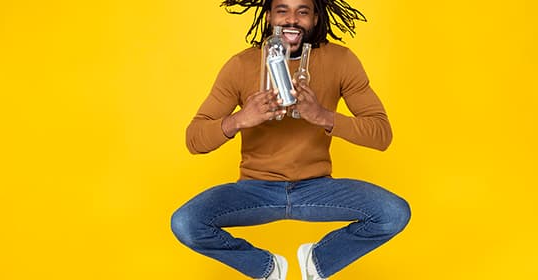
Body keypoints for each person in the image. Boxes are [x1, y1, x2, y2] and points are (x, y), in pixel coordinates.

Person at [170, 0, 410, 279]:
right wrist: (239, 120)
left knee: (393, 213)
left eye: (303, 11)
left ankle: (317, 261)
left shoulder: (341, 61)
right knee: (186, 222)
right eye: (282, 10)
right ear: (269, 16)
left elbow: (381, 134)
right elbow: (194, 139)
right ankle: (268, 269)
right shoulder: (241, 65)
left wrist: (323, 116)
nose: (292, 20)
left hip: (317, 189)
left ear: (316, 18)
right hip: (254, 191)